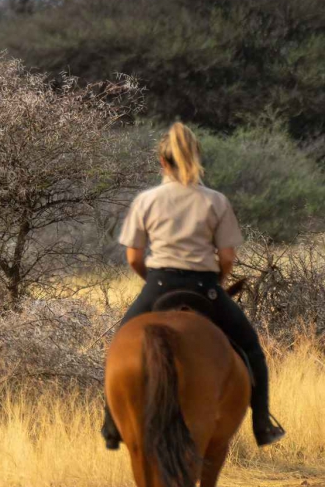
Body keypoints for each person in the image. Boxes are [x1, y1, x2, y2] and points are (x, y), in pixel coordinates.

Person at [102, 122, 286, 450]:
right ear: (197, 157)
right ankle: (262, 424)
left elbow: (133, 257)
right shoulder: (215, 201)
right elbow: (227, 257)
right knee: (250, 347)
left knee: (120, 342)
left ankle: (112, 425)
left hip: (158, 284)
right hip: (205, 288)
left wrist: (154, 283)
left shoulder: (147, 200)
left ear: (162, 161)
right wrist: (218, 284)